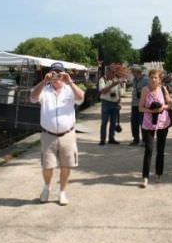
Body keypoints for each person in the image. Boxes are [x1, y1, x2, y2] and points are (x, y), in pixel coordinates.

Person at [30, 62, 85, 206]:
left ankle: (62, 192)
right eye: (54, 73)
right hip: (48, 135)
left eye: (59, 73)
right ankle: (47, 187)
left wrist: (70, 82)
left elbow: (81, 98)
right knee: (47, 166)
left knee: (66, 165)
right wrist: (43, 81)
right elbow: (33, 98)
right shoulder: (45, 90)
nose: (56, 76)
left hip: (67, 134)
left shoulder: (69, 90)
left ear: (64, 74)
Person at [139, 69, 172, 188]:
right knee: (149, 149)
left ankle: (158, 173)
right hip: (148, 123)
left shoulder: (163, 89)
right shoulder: (145, 90)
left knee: (160, 150)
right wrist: (151, 110)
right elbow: (140, 108)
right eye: (151, 77)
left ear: (160, 79)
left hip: (162, 122)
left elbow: (170, 104)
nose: (153, 80)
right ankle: (145, 177)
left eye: (155, 78)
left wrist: (162, 107)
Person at [98, 68, 122, 145]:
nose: (113, 74)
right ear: (107, 72)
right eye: (112, 72)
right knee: (104, 122)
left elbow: (119, 92)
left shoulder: (116, 80)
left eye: (114, 73)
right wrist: (112, 85)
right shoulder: (102, 80)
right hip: (106, 102)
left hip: (115, 103)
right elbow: (103, 91)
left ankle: (111, 138)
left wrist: (120, 102)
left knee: (113, 122)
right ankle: (102, 139)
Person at [129, 65, 148, 146]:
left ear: (137, 72)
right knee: (134, 122)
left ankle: (145, 140)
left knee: (143, 122)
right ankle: (135, 139)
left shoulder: (146, 79)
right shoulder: (134, 80)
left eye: (133, 71)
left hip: (143, 104)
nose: (132, 73)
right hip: (134, 104)